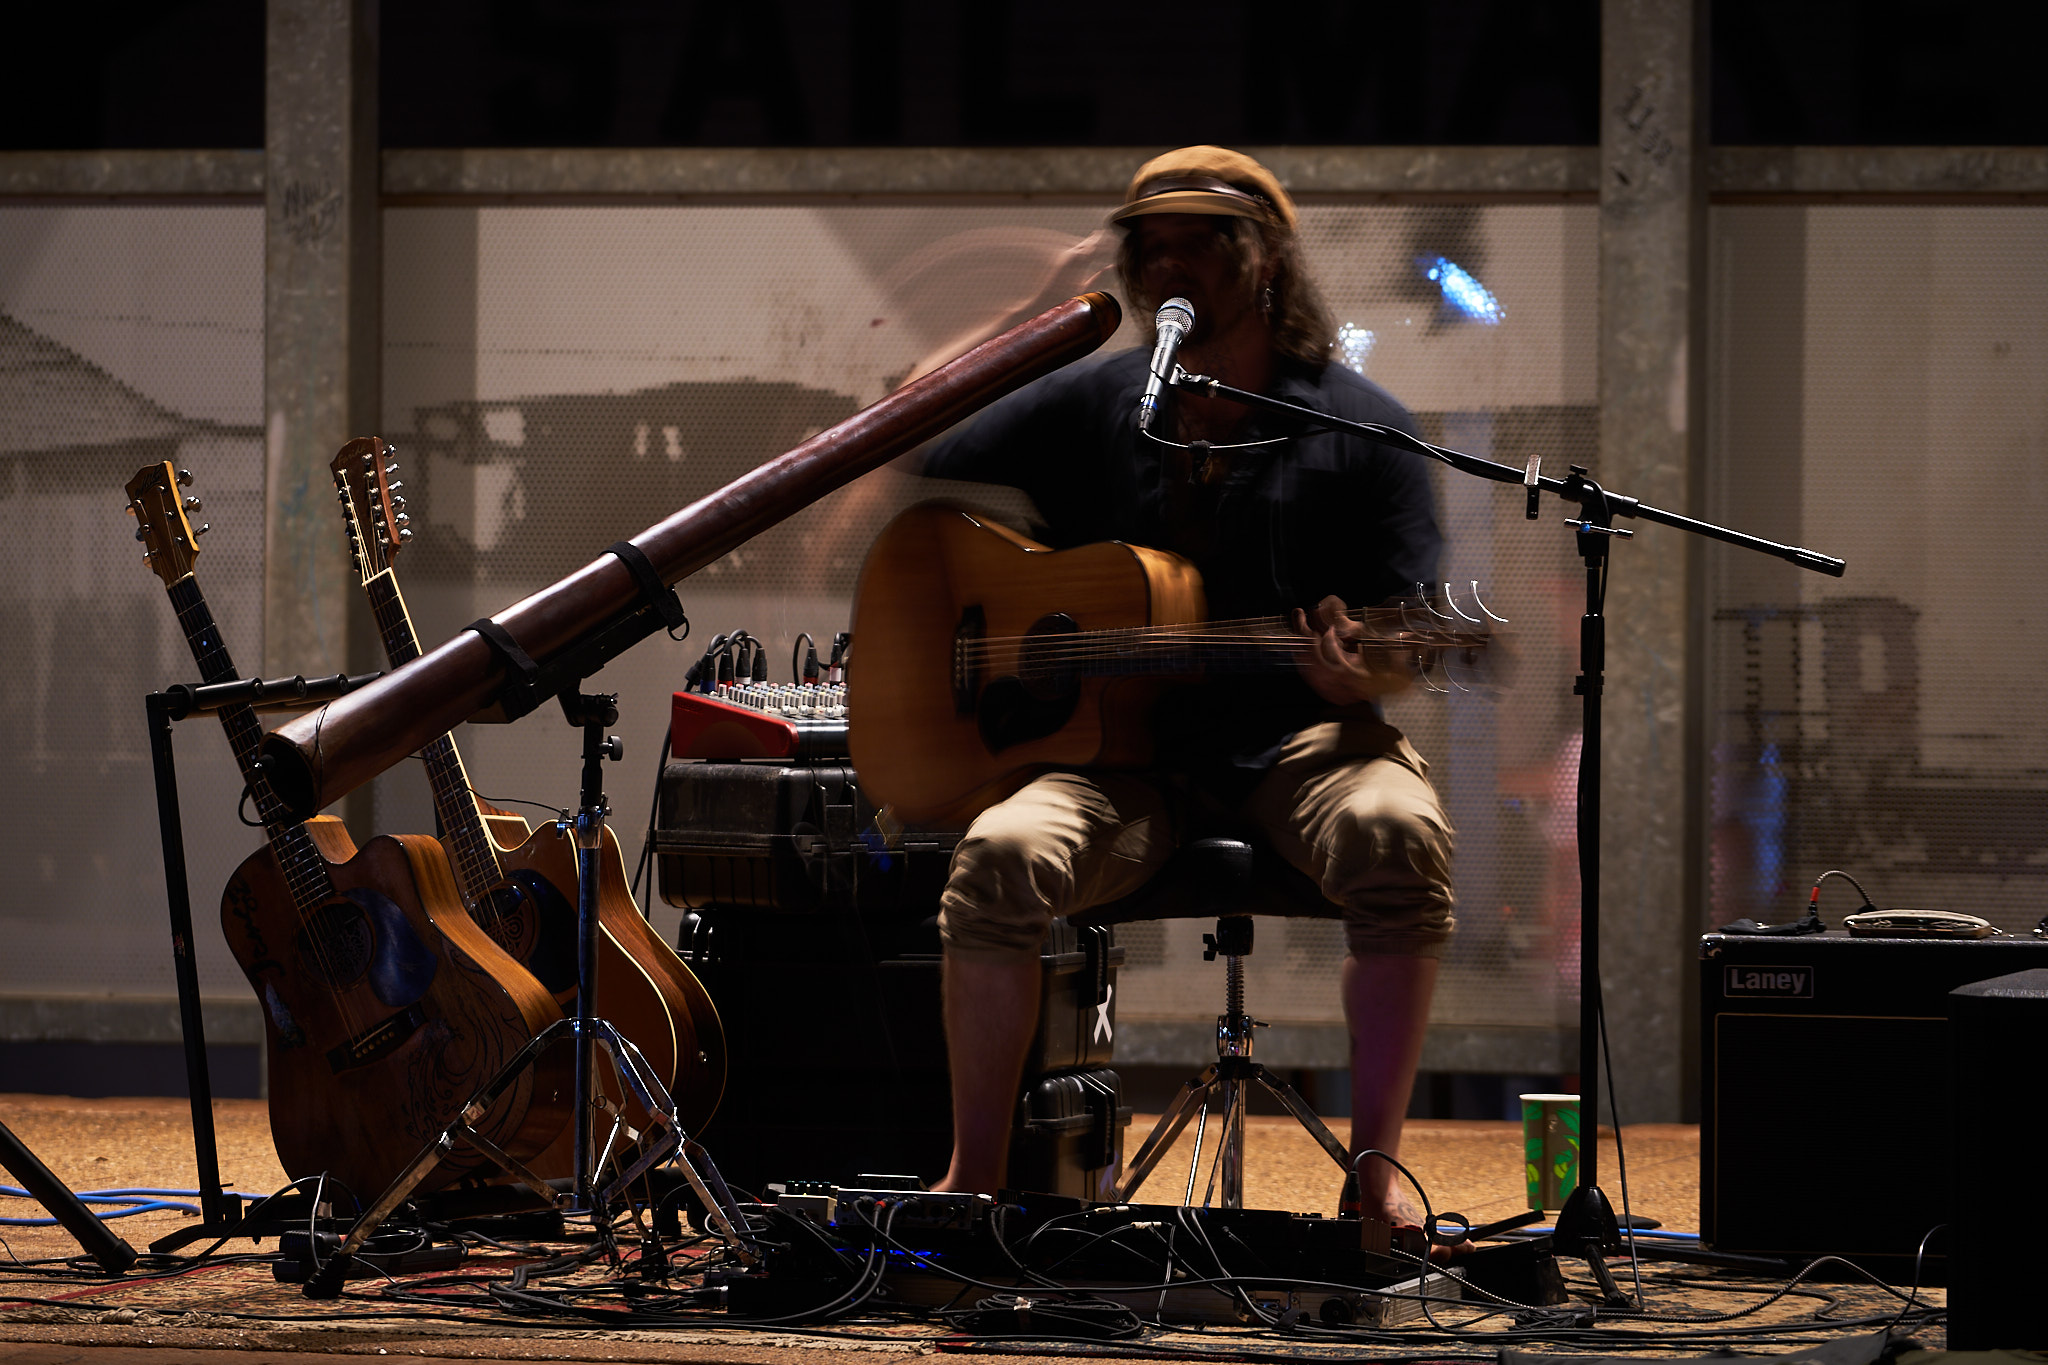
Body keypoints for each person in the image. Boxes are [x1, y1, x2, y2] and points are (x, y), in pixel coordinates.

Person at [915, 146, 1454, 1225]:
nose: (1169, 264)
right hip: (1118, 762)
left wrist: (1359, 666)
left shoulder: (1359, 427)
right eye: (1149, 246)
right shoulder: (1093, 401)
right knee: (998, 858)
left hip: (1303, 743)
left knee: (1395, 835)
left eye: (1200, 244)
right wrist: (1038, 317)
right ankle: (973, 1181)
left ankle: (1373, 1174)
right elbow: (923, 441)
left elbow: (1415, 626)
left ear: (1267, 263)